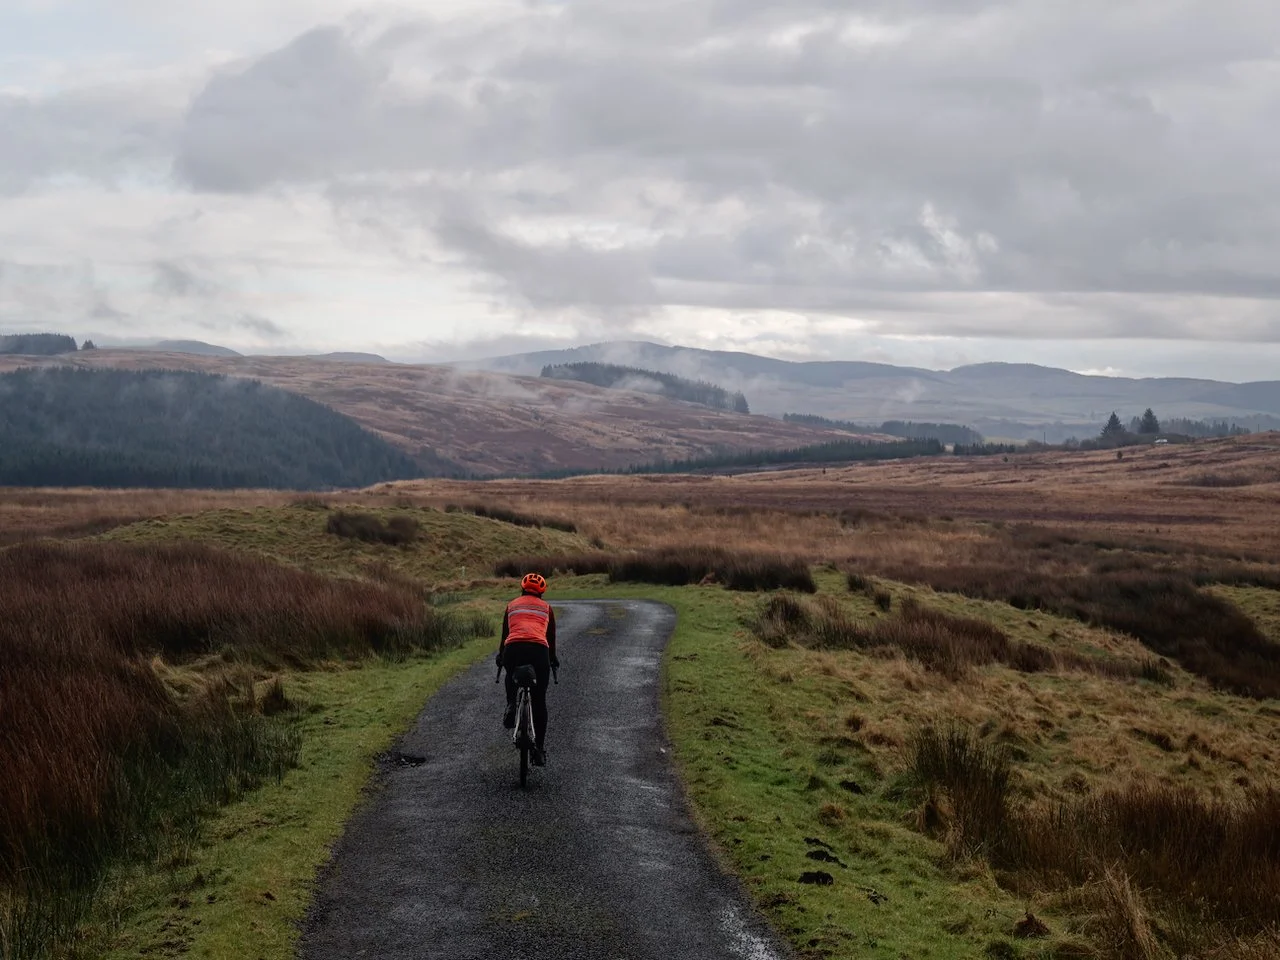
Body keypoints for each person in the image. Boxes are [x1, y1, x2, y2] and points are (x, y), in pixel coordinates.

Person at [496, 572, 559, 766]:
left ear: (522, 589)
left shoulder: (512, 605)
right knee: (539, 700)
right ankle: (539, 749)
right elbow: (551, 638)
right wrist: (552, 659)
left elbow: (505, 635)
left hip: (513, 648)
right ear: (542, 592)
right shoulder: (547, 609)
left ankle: (511, 704)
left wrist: (501, 656)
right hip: (539, 651)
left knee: (510, 674)